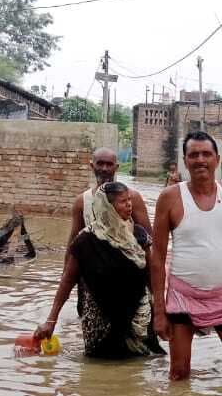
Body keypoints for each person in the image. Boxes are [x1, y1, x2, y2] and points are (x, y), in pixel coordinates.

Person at [152, 131, 222, 380]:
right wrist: (159, 311)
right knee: (179, 373)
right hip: (183, 297)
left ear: (217, 159)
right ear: (185, 161)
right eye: (193, 155)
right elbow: (157, 256)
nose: (200, 160)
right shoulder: (170, 198)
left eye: (206, 154)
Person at [35, 183, 161, 358]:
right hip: (101, 322)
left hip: (138, 319)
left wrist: (160, 311)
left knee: (139, 366)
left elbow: (151, 274)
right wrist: (51, 320)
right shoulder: (86, 241)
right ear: (107, 206)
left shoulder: (138, 235)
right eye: (123, 202)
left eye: (129, 200)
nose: (129, 205)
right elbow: (68, 280)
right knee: (101, 367)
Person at [63, 146, 163, 353]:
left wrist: (158, 296)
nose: (105, 168)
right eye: (100, 163)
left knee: (138, 346)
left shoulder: (131, 198)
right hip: (93, 284)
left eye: (109, 164)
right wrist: (66, 280)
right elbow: (74, 245)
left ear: (116, 167)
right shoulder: (83, 202)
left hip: (130, 284)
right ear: (92, 166)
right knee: (98, 345)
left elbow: (149, 244)